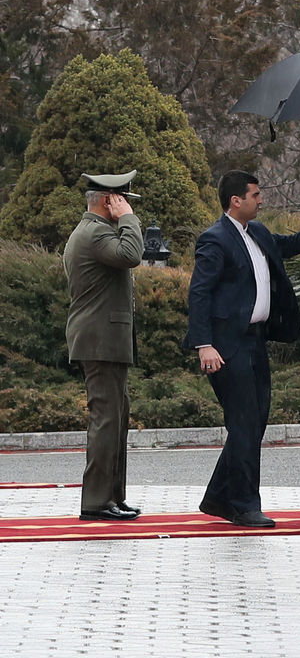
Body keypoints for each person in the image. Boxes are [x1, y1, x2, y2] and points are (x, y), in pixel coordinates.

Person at [185, 170, 300, 528]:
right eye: (256, 194)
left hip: (255, 341)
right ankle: (245, 505)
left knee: (254, 421)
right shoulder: (214, 240)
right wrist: (204, 345)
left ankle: (219, 497)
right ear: (236, 200)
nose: (261, 200)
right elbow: (199, 293)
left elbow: (292, 244)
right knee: (245, 422)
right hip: (226, 346)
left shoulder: (257, 233)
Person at [63, 171, 145, 521]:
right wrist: (128, 217)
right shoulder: (96, 232)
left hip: (105, 340)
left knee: (117, 418)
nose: (126, 205)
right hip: (99, 341)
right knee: (106, 420)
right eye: (121, 199)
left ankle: (112, 495)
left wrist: (123, 217)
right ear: (107, 200)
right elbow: (131, 254)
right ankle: (96, 502)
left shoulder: (95, 232)